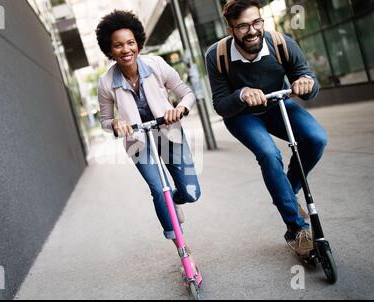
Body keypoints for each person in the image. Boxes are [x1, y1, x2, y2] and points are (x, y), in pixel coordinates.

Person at [205, 0, 327, 257]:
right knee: (269, 154)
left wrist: (306, 83)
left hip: (278, 105)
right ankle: (296, 228)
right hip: (242, 116)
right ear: (230, 30)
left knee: (316, 139)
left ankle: (288, 190)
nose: (252, 31)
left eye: (256, 22)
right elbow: (221, 105)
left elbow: (308, 82)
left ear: (262, 20)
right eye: (243, 26)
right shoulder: (217, 55)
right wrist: (241, 94)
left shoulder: (282, 43)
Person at [96, 10, 201, 244]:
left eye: (130, 43)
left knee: (191, 192)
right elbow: (105, 121)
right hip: (138, 142)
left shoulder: (156, 65)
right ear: (110, 50)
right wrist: (115, 123)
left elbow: (187, 93)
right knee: (159, 190)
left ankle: (175, 199)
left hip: (169, 133)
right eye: (118, 45)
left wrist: (179, 110)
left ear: (139, 44)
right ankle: (183, 251)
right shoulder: (105, 83)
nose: (126, 50)